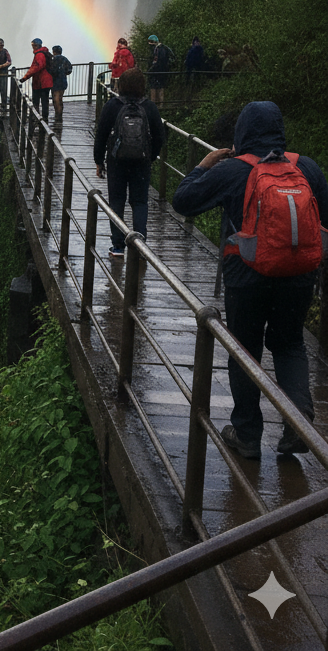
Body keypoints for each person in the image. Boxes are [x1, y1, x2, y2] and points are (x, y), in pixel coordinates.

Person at [172, 102, 328, 459]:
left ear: (243, 131)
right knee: (289, 344)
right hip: (299, 274)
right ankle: (298, 420)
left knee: (245, 349)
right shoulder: (307, 168)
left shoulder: (233, 170)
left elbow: (183, 201)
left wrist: (202, 166)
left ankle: (246, 434)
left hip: (247, 275)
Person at [93, 67, 164, 259]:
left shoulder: (112, 106)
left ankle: (118, 247)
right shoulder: (149, 107)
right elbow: (160, 136)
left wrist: (99, 161)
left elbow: (101, 135)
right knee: (139, 202)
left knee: (117, 201)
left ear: (121, 85)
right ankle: (140, 247)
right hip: (142, 162)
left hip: (116, 161)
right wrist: (151, 156)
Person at [20, 38, 53, 122]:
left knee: (37, 100)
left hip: (41, 82)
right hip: (47, 81)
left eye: (33, 45)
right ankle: (44, 118)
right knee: (45, 100)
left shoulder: (39, 55)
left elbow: (38, 67)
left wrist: (25, 77)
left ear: (36, 45)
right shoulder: (45, 53)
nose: (32, 47)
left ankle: (36, 117)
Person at [147, 34, 173, 107]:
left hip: (155, 73)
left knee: (153, 89)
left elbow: (155, 62)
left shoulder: (156, 50)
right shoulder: (165, 48)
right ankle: (161, 106)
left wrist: (149, 71)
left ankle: (153, 107)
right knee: (161, 89)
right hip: (163, 72)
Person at [50, 44, 72, 120]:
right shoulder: (65, 59)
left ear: (54, 52)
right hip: (63, 81)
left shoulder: (53, 59)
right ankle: (59, 114)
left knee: (55, 99)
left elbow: (50, 70)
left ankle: (58, 115)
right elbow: (69, 70)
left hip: (55, 82)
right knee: (60, 98)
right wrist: (63, 73)